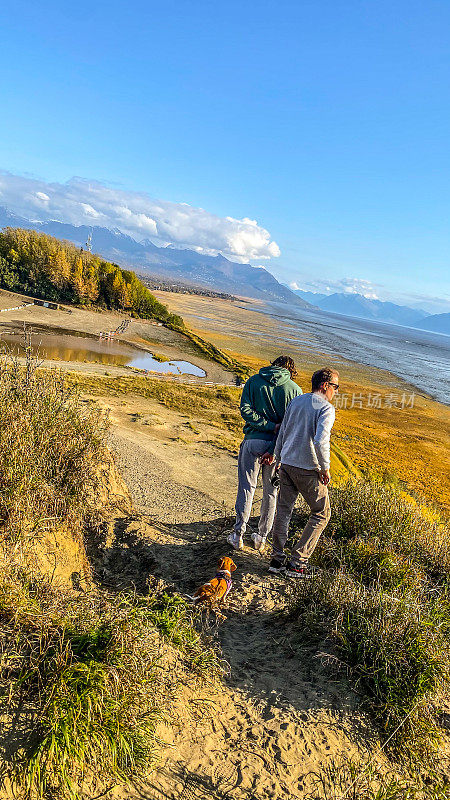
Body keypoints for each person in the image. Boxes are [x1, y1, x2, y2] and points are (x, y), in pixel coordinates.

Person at [266, 367, 339, 577]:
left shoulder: (296, 401)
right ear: (325, 386)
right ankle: (298, 562)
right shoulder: (325, 408)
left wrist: (278, 457)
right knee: (322, 513)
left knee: (284, 511)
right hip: (308, 468)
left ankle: (276, 559)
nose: (336, 392)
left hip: (286, 464)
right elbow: (320, 440)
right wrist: (324, 467)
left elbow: (283, 432)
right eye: (335, 387)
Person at [227, 356, 302, 553]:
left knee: (246, 487)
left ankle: (238, 535)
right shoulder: (295, 391)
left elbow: (245, 410)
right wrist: (275, 443)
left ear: (273, 364)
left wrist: (266, 425)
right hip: (277, 447)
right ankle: (261, 537)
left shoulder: (253, 381)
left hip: (253, 439)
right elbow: (290, 426)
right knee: (271, 492)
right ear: (291, 370)